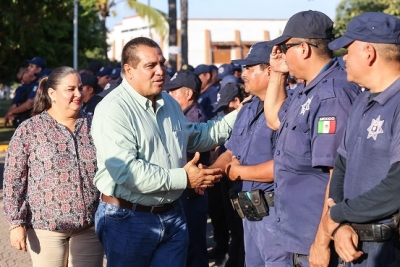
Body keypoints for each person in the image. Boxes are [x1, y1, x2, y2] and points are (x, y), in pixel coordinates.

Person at [91, 37, 240, 267]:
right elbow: (127, 172)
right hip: (128, 219)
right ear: (128, 71)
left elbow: (196, 136)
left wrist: (245, 112)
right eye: (150, 66)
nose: (161, 71)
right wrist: (184, 178)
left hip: (172, 214)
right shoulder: (113, 109)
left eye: (162, 63)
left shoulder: (168, 102)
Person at [263, 10, 361, 267]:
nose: (282, 54)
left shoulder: (333, 94)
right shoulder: (307, 89)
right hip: (299, 236)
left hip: (319, 240)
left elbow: (336, 174)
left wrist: (321, 242)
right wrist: (277, 73)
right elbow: (274, 119)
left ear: (304, 48)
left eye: (286, 47)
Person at [312, 12, 400, 267]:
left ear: (369, 52)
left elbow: (396, 186)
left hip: (388, 250)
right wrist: (339, 222)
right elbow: (342, 164)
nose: (344, 57)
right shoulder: (362, 100)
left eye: (348, 49)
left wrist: (338, 214)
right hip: (351, 243)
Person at [3, 66, 104, 267]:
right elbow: (13, 179)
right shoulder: (30, 130)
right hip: (45, 228)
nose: (78, 94)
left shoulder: (94, 124)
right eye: (70, 89)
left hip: (89, 228)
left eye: (80, 88)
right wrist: (16, 223)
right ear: (52, 93)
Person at [212, 41, 292, 266]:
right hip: (250, 213)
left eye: (250, 68)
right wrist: (211, 172)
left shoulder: (289, 108)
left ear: (270, 71)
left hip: (276, 215)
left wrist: (237, 172)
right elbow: (231, 150)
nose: (243, 74)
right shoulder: (248, 108)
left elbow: (283, 167)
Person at [164, 70, 210, 267]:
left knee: (193, 249)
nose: (170, 96)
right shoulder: (182, 116)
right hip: (184, 190)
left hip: (191, 194)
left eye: (174, 92)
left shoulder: (193, 118)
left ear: (188, 94)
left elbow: (190, 156)